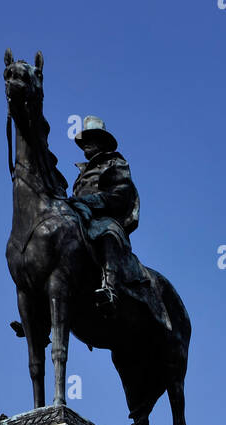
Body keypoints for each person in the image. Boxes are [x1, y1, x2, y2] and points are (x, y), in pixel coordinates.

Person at [70, 116, 140, 309]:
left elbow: (120, 196)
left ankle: (110, 290)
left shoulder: (116, 164)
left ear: (101, 142)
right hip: (81, 218)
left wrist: (87, 202)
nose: (85, 145)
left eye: (90, 140)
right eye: (83, 142)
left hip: (106, 218)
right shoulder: (81, 173)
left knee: (108, 232)